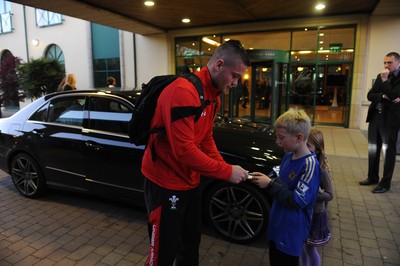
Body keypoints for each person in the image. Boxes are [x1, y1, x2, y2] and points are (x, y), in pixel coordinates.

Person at [141, 40, 250, 266]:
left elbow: (205, 138)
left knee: (190, 246)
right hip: (165, 183)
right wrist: (226, 171)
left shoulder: (213, 95)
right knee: (162, 253)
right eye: (235, 76)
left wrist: (223, 168)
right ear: (219, 65)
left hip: (190, 183)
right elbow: (185, 151)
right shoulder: (183, 92)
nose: (236, 83)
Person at [250, 108, 320, 266]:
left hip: (291, 232)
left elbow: (297, 200)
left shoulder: (310, 165)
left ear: (299, 137)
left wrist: (269, 184)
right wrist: (269, 180)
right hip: (278, 224)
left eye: (281, 138)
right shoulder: (288, 155)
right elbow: (283, 184)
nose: (277, 142)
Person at [359, 52, 400, 193]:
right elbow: (370, 95)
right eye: (385, 62)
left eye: (389, 62)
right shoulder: (380, 76)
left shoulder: (386, 78)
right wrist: (383, 95)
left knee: (388, 152)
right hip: (375, 117)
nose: (386, 65)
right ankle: (372, 177)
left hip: (390, 121)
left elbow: (395, 95)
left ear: (398, 63)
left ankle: (385, 183)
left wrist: (385, 82)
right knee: (372, 149)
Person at [300, 128, 334, 266]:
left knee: (310, 248)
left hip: (315, 215)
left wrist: (313, 195)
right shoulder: (304, 162)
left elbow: (330, 194)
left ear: (318, 149)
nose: (305, 148)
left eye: (308, 145)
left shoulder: (322, 168)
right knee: (302, 246)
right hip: (303, 212)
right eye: (304, 144)